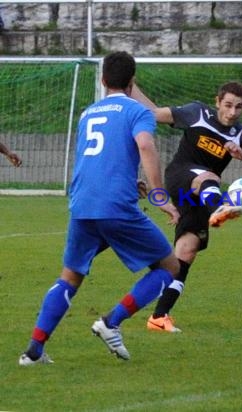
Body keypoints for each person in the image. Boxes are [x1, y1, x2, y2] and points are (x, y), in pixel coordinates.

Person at [19, 51, 180, 365]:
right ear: (133, 82)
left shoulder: (88, 113)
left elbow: (95, 157)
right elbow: (145, 145)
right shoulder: (137, 112)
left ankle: (33, 351)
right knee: (169, 267)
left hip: (83, 203)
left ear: (104, 80)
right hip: (116, 207)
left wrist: (127, 181)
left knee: (70, 276)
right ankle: (111, 322)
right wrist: (160, 196)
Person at [131, 81, 242, 333]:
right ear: (218, 101)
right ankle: (220, 207)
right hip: (181, 178)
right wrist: (129, 85)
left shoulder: (241, 134)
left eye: (238, 107)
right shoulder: (197, 113)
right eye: (228, 105)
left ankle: (159, 316)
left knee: (186, 251)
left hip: (199, 196)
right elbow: (154, 113)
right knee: (210, 177)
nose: (232, 112)